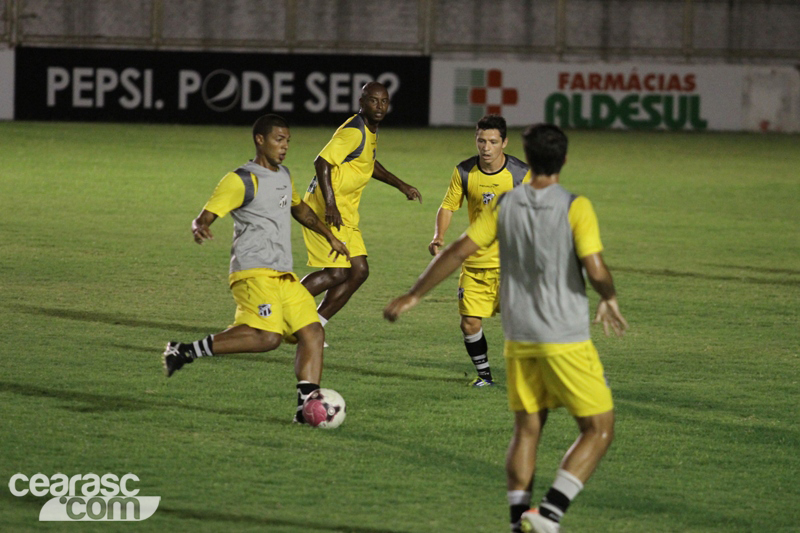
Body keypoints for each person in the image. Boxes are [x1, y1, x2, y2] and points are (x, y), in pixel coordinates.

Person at [384, 123, 628, 533]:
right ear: (564, 160)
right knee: (599, 428)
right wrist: (608, 296)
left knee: (528, 428)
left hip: (520, 338)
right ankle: (549, 514)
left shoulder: (507, 205)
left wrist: (413, 295)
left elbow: (460, 249)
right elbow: (596, 267)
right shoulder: (575, 205)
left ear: (526, 161)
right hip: (564, 336)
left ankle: (519, 520)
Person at [162, 114, 350, 424]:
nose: (285, 146)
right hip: (252, 272)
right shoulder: (241, 180)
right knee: (267, 338)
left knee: (313, 332)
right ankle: (184, 350)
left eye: (288, 140)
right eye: (279, 139)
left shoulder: (284, 176)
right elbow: (205, 215)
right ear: (259, 140)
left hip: (284, 275)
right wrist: (200, 226)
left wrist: (330, 236)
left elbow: (300, 209)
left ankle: (305, 410)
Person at [300, 81, 422, 343]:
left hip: (345, 212)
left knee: (358, 271)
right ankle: (279, 305)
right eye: (374, 100)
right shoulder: (354, 131)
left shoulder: (370, 131)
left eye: (384, 101)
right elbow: (321, 161)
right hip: (327, 210)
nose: (379, 106)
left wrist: (401, 185)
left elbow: (367, 163)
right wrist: (331, 203)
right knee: (337, 273)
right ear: (361, 102)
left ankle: (315, 326)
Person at [428, 114, 529, 387]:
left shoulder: (521, 174)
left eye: (493, 142)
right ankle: (485, 376)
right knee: (469, 323)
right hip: (475, 264)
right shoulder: (464, 171)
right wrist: (439, 235)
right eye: (481, 140)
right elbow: (448, 205)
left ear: (504, 143)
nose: (485, 147)